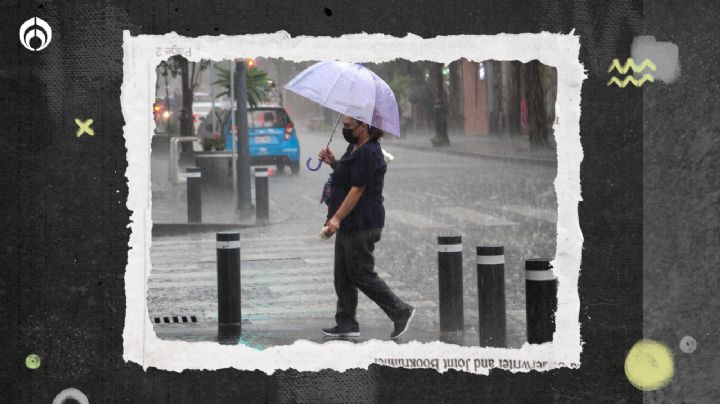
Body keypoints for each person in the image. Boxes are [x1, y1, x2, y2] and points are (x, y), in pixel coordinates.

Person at [318, 115, 415, 340]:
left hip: (363, 220)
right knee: (342, 273)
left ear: (365, 127)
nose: (346, 128)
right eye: (344, 125)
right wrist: (333, 162)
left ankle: (400, 311)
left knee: (361, 272)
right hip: (351, 220)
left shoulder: (369, 152)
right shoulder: (354, 147)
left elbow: (357, 189)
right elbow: (346, 176)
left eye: (349, 125)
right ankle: (346, 322)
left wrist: (337, 218)